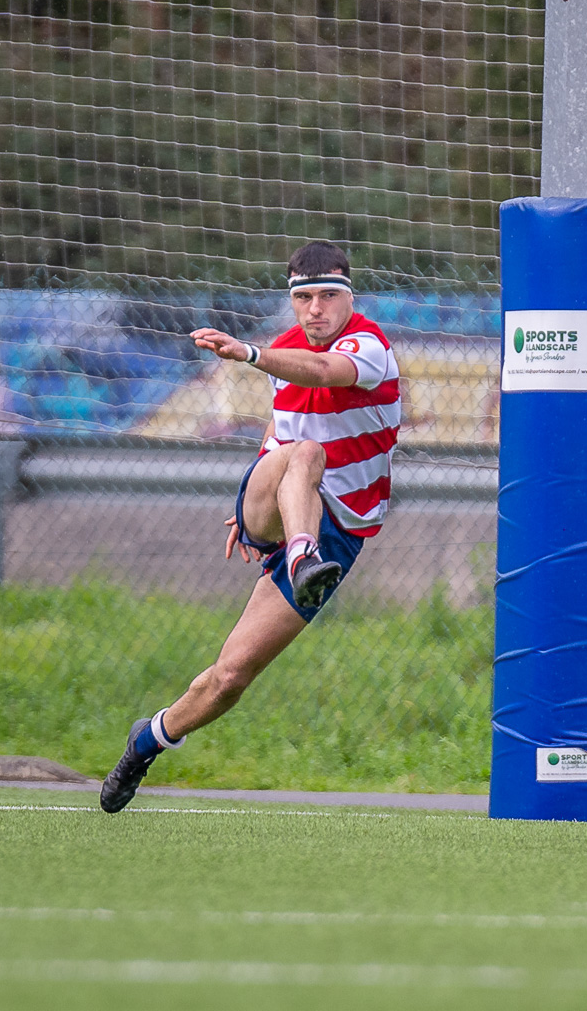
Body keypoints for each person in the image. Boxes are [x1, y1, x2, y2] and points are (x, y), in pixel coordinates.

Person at [100, 242, 402, 812]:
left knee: (229, 678)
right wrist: (252, 507)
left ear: (349, 297)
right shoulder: (281, 351)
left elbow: (320, 370)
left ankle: (146, 741)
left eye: (328, 296)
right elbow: (283, 429)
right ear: (292, 302)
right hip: (292, 520)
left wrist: (248, 352)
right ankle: (300, 556)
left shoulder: (369, 346)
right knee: (304, 451)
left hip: (342, 529)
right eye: (304, 297)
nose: (316, 309)